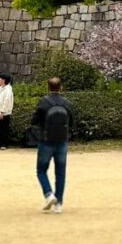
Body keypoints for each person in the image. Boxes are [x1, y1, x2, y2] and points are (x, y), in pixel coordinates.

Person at [31, 77, 75, 214]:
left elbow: (34, 120)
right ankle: (59, 203)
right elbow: (72, 122)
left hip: (46, 140)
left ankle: (48, 194)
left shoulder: (43, 102)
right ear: (60, 87)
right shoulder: (66, 103)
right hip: (62, 140)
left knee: (41, 170)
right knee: (60, 172)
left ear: (48, 87)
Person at [0, 74, 14, 150]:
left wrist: (2, 111)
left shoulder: (8, 89)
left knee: (4, 128)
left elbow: (7, 101)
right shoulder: (0, 88)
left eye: (0, 79)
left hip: (4, 113)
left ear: (4, 80)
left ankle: (4, 144)